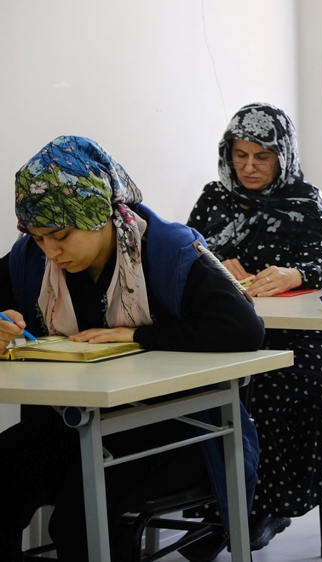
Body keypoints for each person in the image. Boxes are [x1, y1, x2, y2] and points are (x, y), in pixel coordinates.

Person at [0, 136, 265, 560]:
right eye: (37, 237)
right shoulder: (31, 259)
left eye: (60, 235)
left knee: (80, 516)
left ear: (98, 213)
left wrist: (138, 335)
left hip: (180, 428)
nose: (51, 251)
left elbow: (243, 328)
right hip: (79, 425)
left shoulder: (168, 251)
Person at [183, 102, 322, 556]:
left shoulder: (304, 201)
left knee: (266, 386)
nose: (249, 167)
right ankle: (222, 508)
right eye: (240, 156)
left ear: (284, 156)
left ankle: (263, 507)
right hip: (240, 333)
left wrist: (295, 274)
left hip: (311, 336)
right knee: (207, 389)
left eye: (262, 157)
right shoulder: (213, 200)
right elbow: (185, 254)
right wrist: (217, 263)